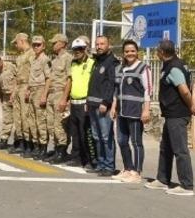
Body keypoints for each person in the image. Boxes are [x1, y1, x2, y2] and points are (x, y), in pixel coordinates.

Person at [145, 40, 195, 196]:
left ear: (162, 52)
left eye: (157, 51)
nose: (156, 53)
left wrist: (192, 106)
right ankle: (163, 179)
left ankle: (187, 185)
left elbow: (184, 91)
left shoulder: (174, 68)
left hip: (177, 114)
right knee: (166, 148)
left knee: (180, 150)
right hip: (171, 115)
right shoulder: (174, 64)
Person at [110, 39, 152, 183]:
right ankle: (128, 168)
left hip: (135, 111)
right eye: (127, 51)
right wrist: (114, 107)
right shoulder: (120, 69)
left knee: (136, 142)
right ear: (123, 53)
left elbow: (148, 90)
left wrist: (146, 110)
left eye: (132, 51)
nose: (130, 53)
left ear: (137, 52)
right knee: (121, 141)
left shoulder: (143, 68)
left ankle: (137, 172)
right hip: (122, 111)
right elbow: (117, 90)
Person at [88, 34, 120, 176]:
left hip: (103, 106)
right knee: (96, 136)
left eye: (102, 44)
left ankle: (109, 166)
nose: (99, 46)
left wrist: (106, 102)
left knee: (106, 136)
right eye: (97, 44)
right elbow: (93, 84)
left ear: (109, 45)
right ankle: (101, 164)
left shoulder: (112, 62)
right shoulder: (97, 61)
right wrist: (88, 102)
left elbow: (111, 84)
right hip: (92, 104)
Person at [63, 37, 96, 169]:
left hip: (85, 102)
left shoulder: (92, 63)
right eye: (75, 49)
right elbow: (70, 82)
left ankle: (88, 159)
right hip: (74, 102)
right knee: (75, 132)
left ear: (85, 49)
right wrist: (66, 99)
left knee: (85, 133)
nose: (77, 52)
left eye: (80, 49)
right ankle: (76, 157)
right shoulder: (73, 64)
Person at [41, 33, 73, 163]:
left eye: (55, 43)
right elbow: (50, 79)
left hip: (60, 93)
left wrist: (65, 98)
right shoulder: (54, 60)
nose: (53, 45)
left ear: (62, 43)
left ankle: (62, 151)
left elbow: (70, 79)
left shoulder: (68, 58)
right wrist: (45, 94)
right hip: (51, 94)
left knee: (60, 124)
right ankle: (56, 148)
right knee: (51, 124)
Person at [25, 35, 49, 158]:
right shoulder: (33, 59)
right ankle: (36, 145)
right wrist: (28, 89)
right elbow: (31, 77)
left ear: (43, 46)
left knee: (40, 120)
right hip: (33, 89)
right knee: (32, 120)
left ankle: (43, 146)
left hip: (40, 89)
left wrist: (44, 95)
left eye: (38, 44)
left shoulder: (45, 60)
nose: (36, 46)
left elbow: (48, 78)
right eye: (34, 44)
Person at [9, 33, 32, 156]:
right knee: (17, 117)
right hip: (19, 87)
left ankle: (29, 144)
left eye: (16, 43)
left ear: (22, 41)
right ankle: (20, 142)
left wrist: (29, 88)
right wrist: (13, 91)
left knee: (25, 117)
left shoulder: (31, 54)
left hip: (26, 86)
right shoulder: (20, 57)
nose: (15, 45)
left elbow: (33, 74)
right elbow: (17, 76)